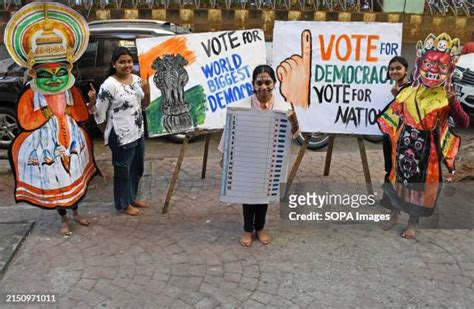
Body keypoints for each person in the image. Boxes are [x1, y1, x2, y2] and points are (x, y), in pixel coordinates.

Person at [4, 2, 98, 236]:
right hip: (44, 148)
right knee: (54, 182)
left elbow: (82, 114)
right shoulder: (30, 94)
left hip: (72, 143)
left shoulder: (70, 89)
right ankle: (64, 219)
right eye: (47, 74)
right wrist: (50, 112)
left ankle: (76, 212)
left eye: (60, 73)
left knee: (74, 178)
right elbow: (26, 122)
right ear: (35, 73)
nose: (55, 80)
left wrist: (88, 104)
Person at [377, 33, 468, 239]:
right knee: (399, 179)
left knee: (419, 185)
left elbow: (464, 123)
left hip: (428, 149)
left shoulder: (446, 96)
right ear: (420, 64)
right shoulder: (410, 90)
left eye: (440, 67)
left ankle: (412, 223)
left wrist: (454, 103)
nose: (433, 70)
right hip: (404, 143)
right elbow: (396, 112)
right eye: (428, 64)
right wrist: (397, 98)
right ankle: (394, 214)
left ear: (449, 70)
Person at [218, 65, 298, 247]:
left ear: (274, 84)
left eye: (267, 82)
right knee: (248, 195)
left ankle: (260, 228)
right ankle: (248, 230)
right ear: (253, 84)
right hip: (247, 159)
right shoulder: (241, 107)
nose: (263, 87)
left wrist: (294, 123)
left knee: (264, 196)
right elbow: (229, 131)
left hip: (269, 159)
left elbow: (292, 135)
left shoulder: (283, 108)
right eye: (259, 82)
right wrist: (225, 156)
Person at [88, 47, 150, 216]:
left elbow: (145, 105)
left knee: (137, 168)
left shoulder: (137, 80)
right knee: (123, 171)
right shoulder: (109, 85)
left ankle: (131, 197)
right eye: (122, 62)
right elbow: (99, 114)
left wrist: (147, 91)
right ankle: (123, 204)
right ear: (114, 64)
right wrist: (106, 134)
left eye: (129, 61)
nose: (126, 65)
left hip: (137, 132)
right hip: (121, 136)